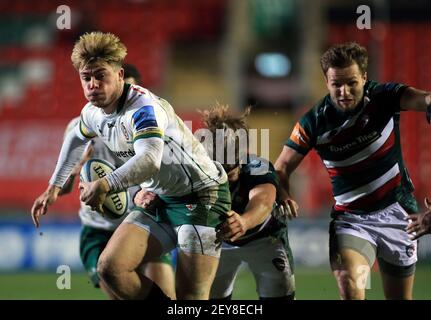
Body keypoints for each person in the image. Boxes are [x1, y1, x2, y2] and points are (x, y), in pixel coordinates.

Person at [31, 31, 230, 300]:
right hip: (161, 199)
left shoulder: (143, 108)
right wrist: (53, 187)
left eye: (100, 75)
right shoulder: (92, 113)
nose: (92, 84)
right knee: (110, 268)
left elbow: (149, 160)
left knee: (190, 298)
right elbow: (75, 137)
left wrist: (104, 184)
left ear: (120, 75)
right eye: (86, 78)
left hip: (202, 196)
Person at [274, 42, 431, 300]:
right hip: (351, 220)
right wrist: (285, 194)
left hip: (398, 213)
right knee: (351, 284)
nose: (344, 91)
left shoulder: (383, 97)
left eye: (352, 83)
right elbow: (281, 167)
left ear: (364, 78)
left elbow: (420, 98)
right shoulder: (314, 122)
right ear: (326, 81)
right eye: (336, 84)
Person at [135, 105, 296, 300]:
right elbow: (159, 184)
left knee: (279, 294)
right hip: (217, 240)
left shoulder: (256, 165)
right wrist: (144, 194)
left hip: (263, 239)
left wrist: (244, 221)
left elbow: (264, 199)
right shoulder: (192, 165)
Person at [57, 65, 176, 299]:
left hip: (144, 223)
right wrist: (75, 170)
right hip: (100, 231)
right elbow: (61, 190)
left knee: (169, 298)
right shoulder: (80, 127)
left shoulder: (150, 126)